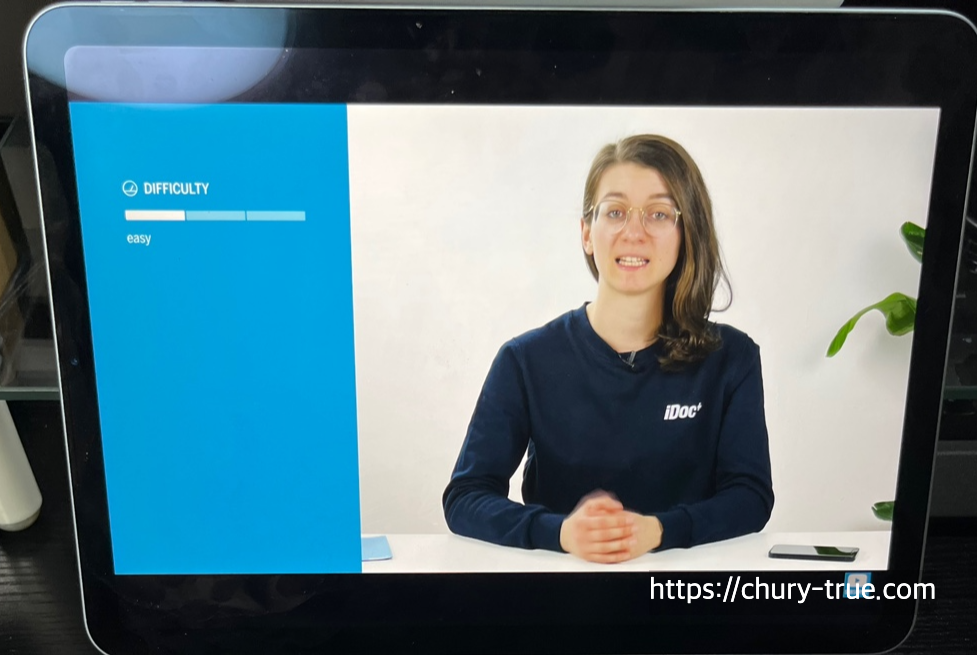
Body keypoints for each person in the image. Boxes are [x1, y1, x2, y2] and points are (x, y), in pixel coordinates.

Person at [442, 134, 774, 564]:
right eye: (615, 212)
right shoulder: (525, 361)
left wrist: (658, 531)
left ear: (686, 232)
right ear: (586, 233)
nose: (634, 233)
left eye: (658, 214)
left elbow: (750, 497)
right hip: (561, 590)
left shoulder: (731, 358)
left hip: (686, 592)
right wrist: (561, 533)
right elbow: (466, 496)